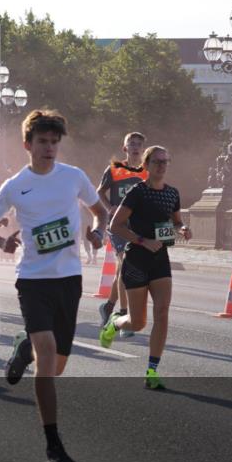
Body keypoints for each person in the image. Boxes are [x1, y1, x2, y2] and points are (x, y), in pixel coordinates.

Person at [0, 109, 107, 462]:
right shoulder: (15, 185)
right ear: (27, 144)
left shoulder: (74, 177)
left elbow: (101, 211)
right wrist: (2, 242)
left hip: (69, 279)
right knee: (47, 357)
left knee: (57, 365)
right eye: (42, 142)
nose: (49, 148)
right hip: (32, 279)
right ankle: (53, 445)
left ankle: (23, 348)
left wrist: (98, 230)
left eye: (54, 142)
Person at [100, 146, 191, 391]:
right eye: (157, 162)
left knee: (162, 313)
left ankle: (152, 370)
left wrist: (182, 229)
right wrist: (142, 241)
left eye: (166, 161)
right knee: (138, 323)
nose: (162, 166)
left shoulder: (172, 193)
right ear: (147, 165)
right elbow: (116, 226)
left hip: (160, 259)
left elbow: (177, 220)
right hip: (137, 260)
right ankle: (115, 324)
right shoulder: (137, 192)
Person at [96, 132, 147, 334]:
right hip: (119, 225)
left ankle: (108, 306)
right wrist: (110, 208)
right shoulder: (115, 169)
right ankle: (125, 314)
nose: (135, 147)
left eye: (138, 144)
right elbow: (99, 192)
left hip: (139, 226)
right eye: (131, 144)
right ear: (125, 148)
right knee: (127, 266)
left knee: (122, 271)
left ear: (143, 149)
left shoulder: (147, 171)